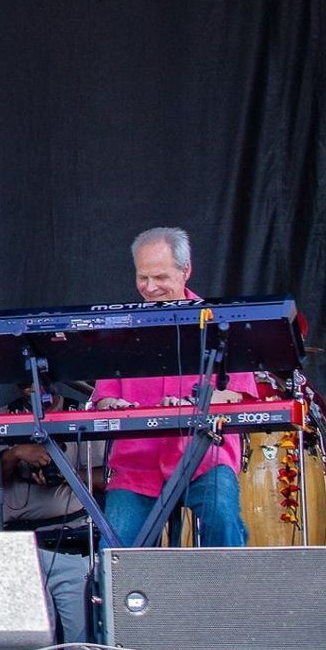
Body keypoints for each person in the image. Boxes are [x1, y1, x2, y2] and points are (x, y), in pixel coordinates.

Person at [90, 226, 257, 548]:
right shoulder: (121, 329)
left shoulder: (221, 324)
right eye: (143, 278)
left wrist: (190, 403)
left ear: (186, 271)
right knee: (116, 550)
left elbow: (237, 394)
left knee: (221, 516)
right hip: (137, 464)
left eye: (160, 278)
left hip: (205, 458)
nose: (150, 288)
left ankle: (229, 594)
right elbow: (103, 399)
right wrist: (113, 408)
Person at [0, 383, 106, 645]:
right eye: (24, 378)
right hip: (21, 544)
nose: (32, 385)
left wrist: (62, 473)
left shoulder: (79, 411)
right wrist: (19, 453)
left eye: (39, 378)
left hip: (71, 541)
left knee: (79, 641)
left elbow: (106, 477)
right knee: (30, 644)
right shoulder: (3, 414)